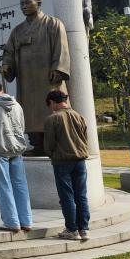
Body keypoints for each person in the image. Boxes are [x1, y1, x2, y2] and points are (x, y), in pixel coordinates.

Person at [1, 0, 71, 153]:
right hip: (26, 80)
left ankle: (55, 144)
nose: (23, 6)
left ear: (38, 4)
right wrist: (7, 65)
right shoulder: (18, 31)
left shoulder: (53, 24)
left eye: (27, 2)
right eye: (21, 4)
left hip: (48, 77)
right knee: (30, 111)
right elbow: (9, 52)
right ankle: (37, 145)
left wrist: (58, 68)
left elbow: (62, 49)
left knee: (51, 109)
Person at [0, 79, 33, 233]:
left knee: (4, 185)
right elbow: (22, 126)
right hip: (17, 148)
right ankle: (26, 221)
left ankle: (12, 222)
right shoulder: (17, 104)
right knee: (20, 185)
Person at [43, 90, 91, 241]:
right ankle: (84, 229)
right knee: (81, 195)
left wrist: (51, 154)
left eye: (50, 104)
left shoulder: (53, 118)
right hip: (80, 160)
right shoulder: (79, 116)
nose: (51, 107)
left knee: (66, 196)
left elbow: (49, 143)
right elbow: (85, 137)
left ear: (52, 102)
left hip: (62, 161)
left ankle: (71, 229)